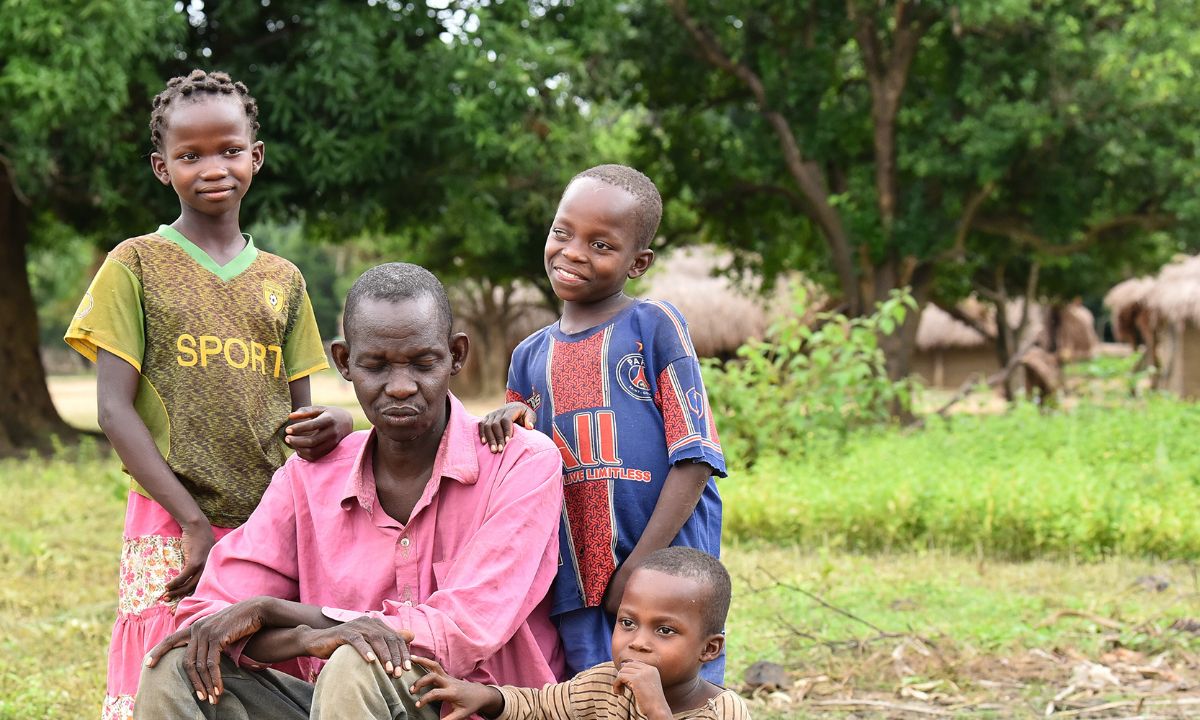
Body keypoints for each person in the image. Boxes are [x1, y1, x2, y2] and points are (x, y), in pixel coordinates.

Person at [135, 262, 566, 719]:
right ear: (344, 362)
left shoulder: (520, 462)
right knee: (178, 664)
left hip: (471, 704)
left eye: (423, 363)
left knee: (357, 662)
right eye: (376, 366)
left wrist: (276, 612)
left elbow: (460, 630)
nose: (401, 387)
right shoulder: (308, 478)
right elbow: (208, 615)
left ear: (456, 356)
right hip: (335, 706)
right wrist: (307, 636)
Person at [63, 69, 352, 720]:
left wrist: (331, 422)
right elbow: (113, 409)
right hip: (170, 522)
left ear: (255, 156)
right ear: (162, 167)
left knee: (258, 664)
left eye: (228, 150)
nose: (211, 167)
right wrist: (192, 520)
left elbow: (300, 415)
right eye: (189, 156)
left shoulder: (285, 280)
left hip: (266, 524)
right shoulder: (134, 264)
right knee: (167, 663)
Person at [480, 164, 727, 683]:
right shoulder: (529, 356)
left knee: (679, 697)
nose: (572, 252)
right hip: (573, 580)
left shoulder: (654, 326)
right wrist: (507, 422)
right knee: (595, 695)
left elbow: (695, 457)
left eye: (601, 244)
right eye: (562, 232)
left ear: (638, 262)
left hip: (667, 581)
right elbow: (520, 469)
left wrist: (640, 567)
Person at [410, 547, 750, 720]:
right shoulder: (605, 683)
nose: (638, 642)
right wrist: (484, 697)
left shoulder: (722, 710)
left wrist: (656, 710)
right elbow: (541, 707)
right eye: (627, 623)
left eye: (664, 630)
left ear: (709, 649)